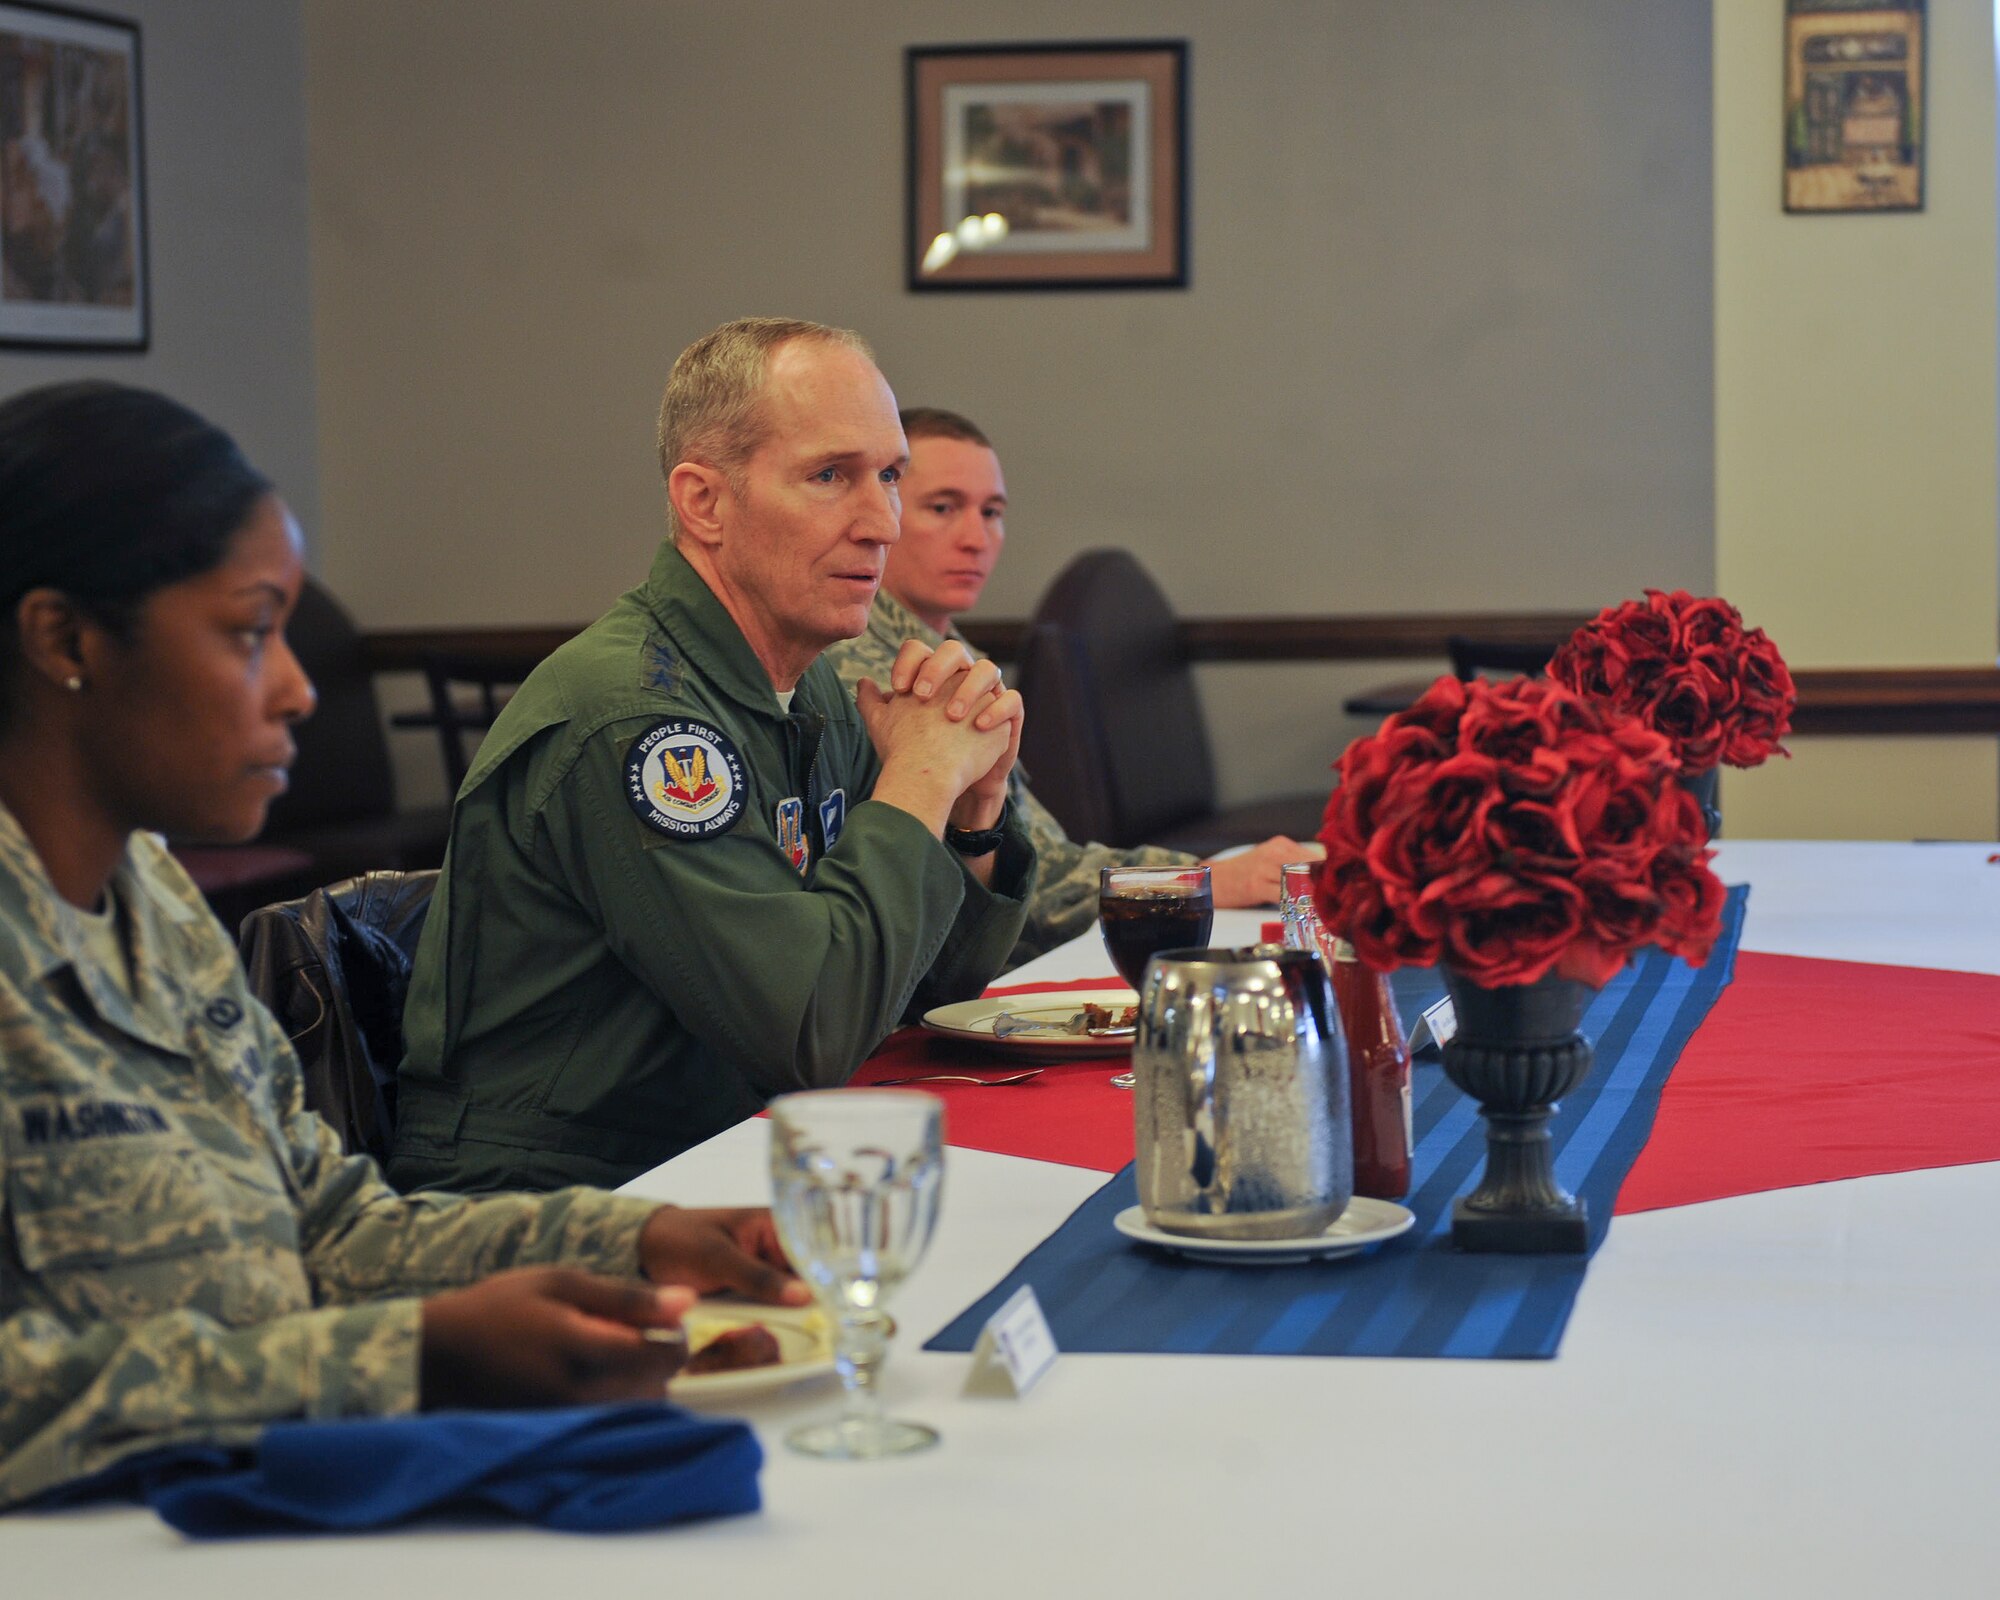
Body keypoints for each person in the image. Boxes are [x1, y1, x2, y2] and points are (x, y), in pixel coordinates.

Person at [0, 381, 809, 1512]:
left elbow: (327, 1228)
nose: (296, 689)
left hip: (243, 1510)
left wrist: (639, 1240)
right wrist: (402, 1361)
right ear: (66, 637)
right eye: (248, 632)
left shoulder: (155, 904)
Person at [391, 320, 1033, 1194]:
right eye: (830, 476)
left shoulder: (806, 688)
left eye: (888, 476)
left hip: (726, 1153)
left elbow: (912, 993)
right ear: (704, 503)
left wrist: (970, 815)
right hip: (563, 1197)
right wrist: (919, 777)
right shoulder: (636, 720)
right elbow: (813, 1030)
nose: (882, 522)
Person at [824, 407, 1316, 966]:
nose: (976, 537)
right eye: (943, 508)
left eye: (992, 512)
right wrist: (1198, 880)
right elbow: (1016, 893)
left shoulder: (950, 652)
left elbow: (1039, 858)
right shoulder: (867, 670)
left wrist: (1203, 875)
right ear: (884, 511)